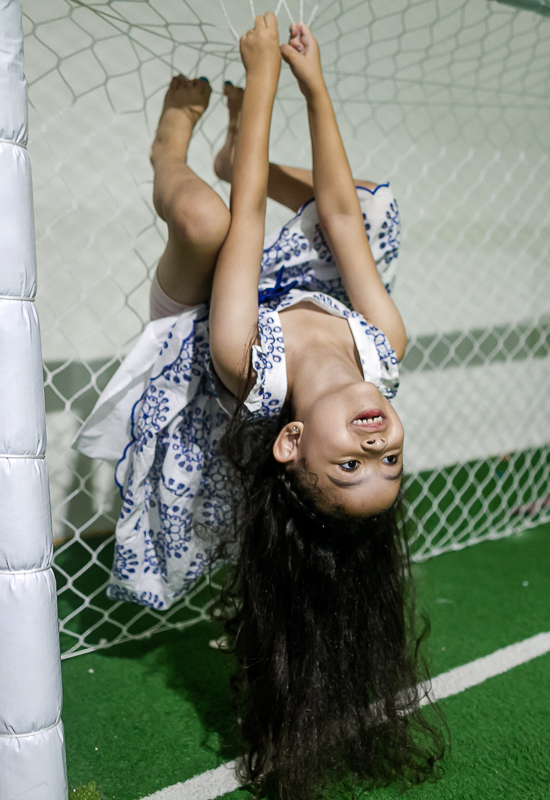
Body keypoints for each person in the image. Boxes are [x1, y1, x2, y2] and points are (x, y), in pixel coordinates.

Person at [74, 13, 443, 799]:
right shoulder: (384, 345)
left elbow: (246, 222)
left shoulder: (248, 363)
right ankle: (240, 143)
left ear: (292, 443)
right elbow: (340, 218)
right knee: (372, 205)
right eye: (389, 461)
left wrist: (264, 79)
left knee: (207, 216)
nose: (377, 445)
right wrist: (314, 87)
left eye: (350, 464)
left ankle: (170, 152)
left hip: (207, 306)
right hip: (294, 279)